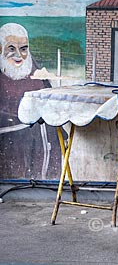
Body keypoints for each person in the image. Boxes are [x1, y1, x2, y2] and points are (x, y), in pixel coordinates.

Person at [0, 23, 59, 180]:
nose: (19, 55)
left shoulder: (34, 69)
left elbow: (49, 98)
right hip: (11, 139)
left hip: (41, 139)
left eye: (24, 49)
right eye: (11, 48)